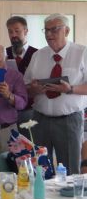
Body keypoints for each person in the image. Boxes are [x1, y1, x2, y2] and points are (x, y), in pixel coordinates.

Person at [24, 14, 87, 175]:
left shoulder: (82, 53)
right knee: (40, 169)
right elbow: (26, 87)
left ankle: (69, 192)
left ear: (67, 31)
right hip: (40, 119)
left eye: (54, 30)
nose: (49, 34)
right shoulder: (38, 56)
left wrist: (70, 89)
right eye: (46, 30)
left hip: (69, 120)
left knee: (69, 170)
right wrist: (34, 90)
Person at [5, 15, 38, 135]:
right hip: (7, 108)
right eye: (10, 31)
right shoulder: (4, 54)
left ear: (26, 31)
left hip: (30, 109)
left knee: (30, 143)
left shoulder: (37, 54)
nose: (13, 35)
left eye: (17, 31)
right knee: (9, 144)